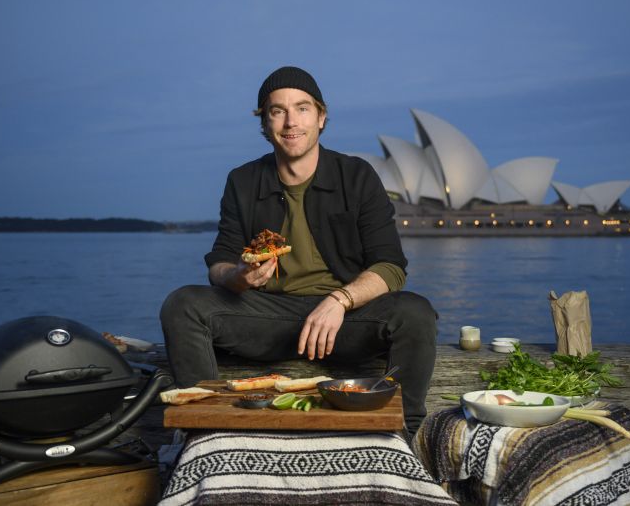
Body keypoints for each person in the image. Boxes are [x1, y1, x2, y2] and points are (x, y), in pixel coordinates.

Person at [159, 65, 437, 436]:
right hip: (268, 317)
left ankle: (406, 434)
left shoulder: (357, 176)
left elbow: (391, 266)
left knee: (415, 312)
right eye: (278, 110)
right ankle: (208, 433)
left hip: (344, 321)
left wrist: (340, 300)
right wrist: (238, 277)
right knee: (183, 304)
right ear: (265, 123)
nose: (291, 122)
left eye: (302, 108)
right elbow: (219, 262)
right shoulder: (241, 181)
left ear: (321, 117)